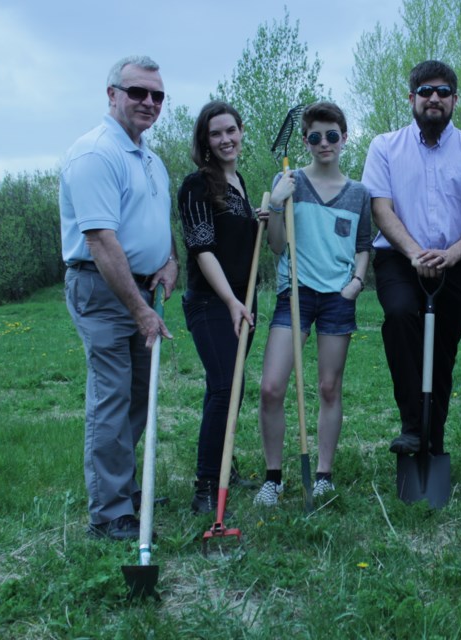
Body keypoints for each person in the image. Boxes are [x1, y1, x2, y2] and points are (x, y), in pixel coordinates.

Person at [61, 55, 179, 540]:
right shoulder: (94, 155)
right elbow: (102, 242)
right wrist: (140, 312)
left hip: (144, 289)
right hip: (105, 289)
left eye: (157, 95)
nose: (148, 102)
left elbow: (155, 225)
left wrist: (171, 261)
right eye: (137, 92)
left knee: (137, 397)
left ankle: (126, 488)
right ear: (111, 94)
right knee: (112, 396)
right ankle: (109, 514)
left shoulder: (150, 158)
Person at [361, 60, 461, 456]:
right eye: (425, 92)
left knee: (441, 352)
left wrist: (453, 253)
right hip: (400, 262)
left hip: (455, 265)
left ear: (455, 99)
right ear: (412, 99)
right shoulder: (385, 147)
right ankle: (411, 425)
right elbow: (381, 209)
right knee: (401, 316)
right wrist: (415, 252)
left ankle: (431, 440)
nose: (434, 98)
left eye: (442, 92)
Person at [254, 102, 372, 506]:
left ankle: (323, 474)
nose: (325, 144)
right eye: (316, 137)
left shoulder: (358, 194)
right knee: (271, 388)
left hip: (337, 300)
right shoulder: (288, 182)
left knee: (328, 387)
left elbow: (362, 247)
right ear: (305, 141)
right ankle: (273, 478)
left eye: (333, 135)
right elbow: (274, 246)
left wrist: (356, 282)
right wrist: (274, 204)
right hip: (296, 295)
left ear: (344, 138)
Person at [177, 101, 264, 514]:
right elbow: (202, 248)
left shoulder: (241, 184)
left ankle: (222, 469)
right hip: (212, 303)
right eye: (216, 133)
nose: (226, 139)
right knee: (226, 386)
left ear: (241, 132)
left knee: (233, 388)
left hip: (245, 303)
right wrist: (230, 300)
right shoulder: (197, 185)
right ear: (205, 141)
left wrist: (260, 217)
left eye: (231, 130)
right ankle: (206, 488)